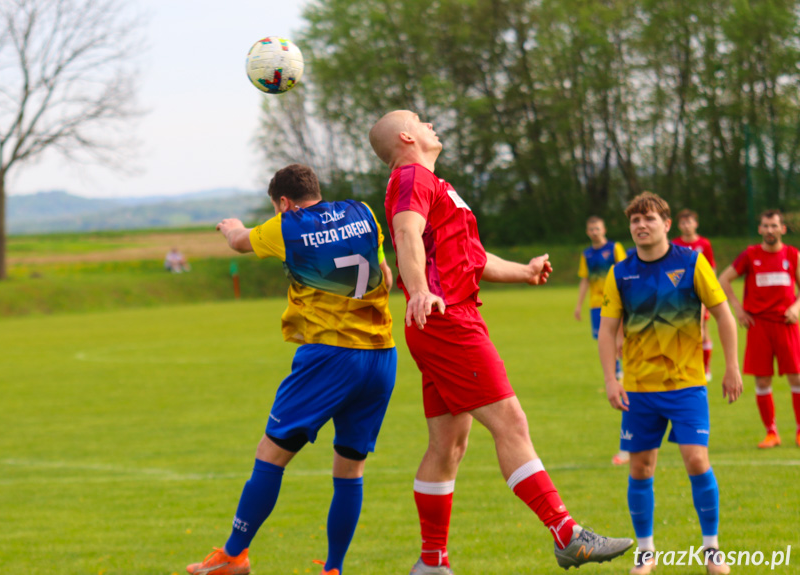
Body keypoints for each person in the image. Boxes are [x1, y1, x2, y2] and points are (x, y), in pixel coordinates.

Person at [369, 109, 633, 574]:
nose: (433, 125)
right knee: (511, 422)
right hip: (445, 317)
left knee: (447, 446)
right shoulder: (411, 176)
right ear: (407, 137)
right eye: (422, 121)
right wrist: (421, 288)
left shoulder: (438, 184)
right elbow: (405, 234)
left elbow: (473, 258)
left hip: (441, 317)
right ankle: (566, 533)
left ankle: (432, 564)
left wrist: (525, 272)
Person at [186, 164, 397, 575]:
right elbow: (384, 274)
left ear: (283, 203)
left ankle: (233, 556)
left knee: (271, 453)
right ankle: (333, 568)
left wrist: (232, 225)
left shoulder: (287, 226)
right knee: (350, 466)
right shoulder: (363, 211)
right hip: (381, 355)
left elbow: (239, 242)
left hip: (330, 357)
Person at [598, 192, 743, 575]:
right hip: (640, 390)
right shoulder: (620, 272)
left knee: (697, 460)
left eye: (649, 219)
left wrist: (732, 367)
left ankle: (711, 550)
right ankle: (646, 554)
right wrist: (611, 379)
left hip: (686, 385)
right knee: (641, 469)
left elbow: (724, 316)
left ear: (666, 224)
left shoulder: (692, 263)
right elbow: (607, 330)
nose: (641, 226)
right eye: (634, 221)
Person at [717, 209, 800, 449]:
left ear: (783, 229)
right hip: (758, 325)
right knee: (763, 380)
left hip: (786, 323)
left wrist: (796, 307)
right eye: (765, 226)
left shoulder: (792, 255)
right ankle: (771, 433)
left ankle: (798, 430)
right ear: (760, 229)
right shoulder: (751, 255)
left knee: (796, 376)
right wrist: (738, 309)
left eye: (774, 225)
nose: (770, 230)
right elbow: (723, 279)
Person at [574, 215, 629, 466]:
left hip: (616, 301)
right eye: (591, 228)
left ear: (604, 228)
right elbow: (585, 279)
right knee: (603, 340)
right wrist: (578, 305)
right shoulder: (587, 254)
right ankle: (616, 374)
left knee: (619, 338)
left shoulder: (614, 248)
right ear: (587, 231)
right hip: (596, 305)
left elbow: (625, 271)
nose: (595, 231)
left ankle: (620, 374)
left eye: (598, 227)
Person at [673, 209, 717, 381]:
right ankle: (683, 365)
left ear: (696, 224)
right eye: (683, 223)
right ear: (678, 226)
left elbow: (711, 268)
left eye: (689, 222)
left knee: (702, 329)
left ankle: (705, 367)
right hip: (680, 294)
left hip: (699, 292)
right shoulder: (674, 244)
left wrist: (710, 290)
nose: (686, 225)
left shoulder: (704, 244)